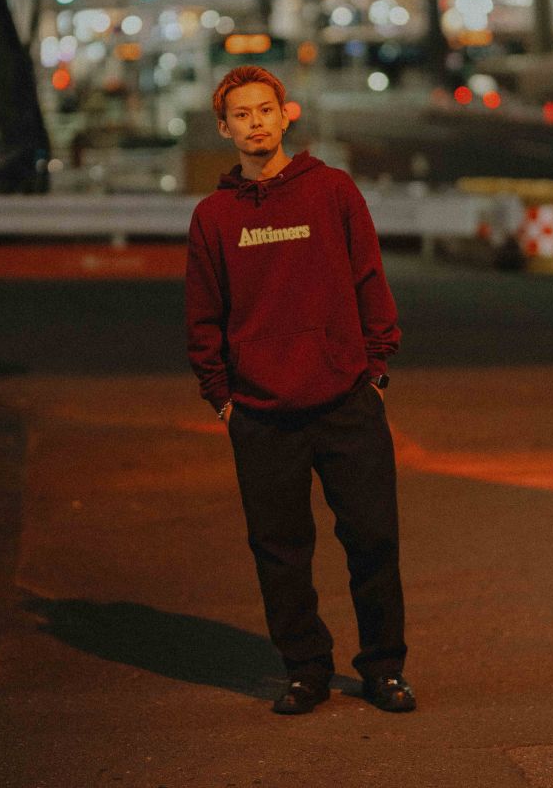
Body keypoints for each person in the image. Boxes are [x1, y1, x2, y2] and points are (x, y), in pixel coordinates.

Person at [185, 65, 415, 716]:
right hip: (261, 415)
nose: (255, 122)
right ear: (223, 128)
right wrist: (222, 398)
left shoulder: (332, 191)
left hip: (346, 401)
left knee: (373, 541)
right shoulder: (214, 216)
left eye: (265, 109)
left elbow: (369, 278)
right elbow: (203, 317)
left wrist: (375, 369)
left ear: (285, 115)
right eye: (241, 114)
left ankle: (384, 669)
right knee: (280, 554)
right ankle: (306, 670)